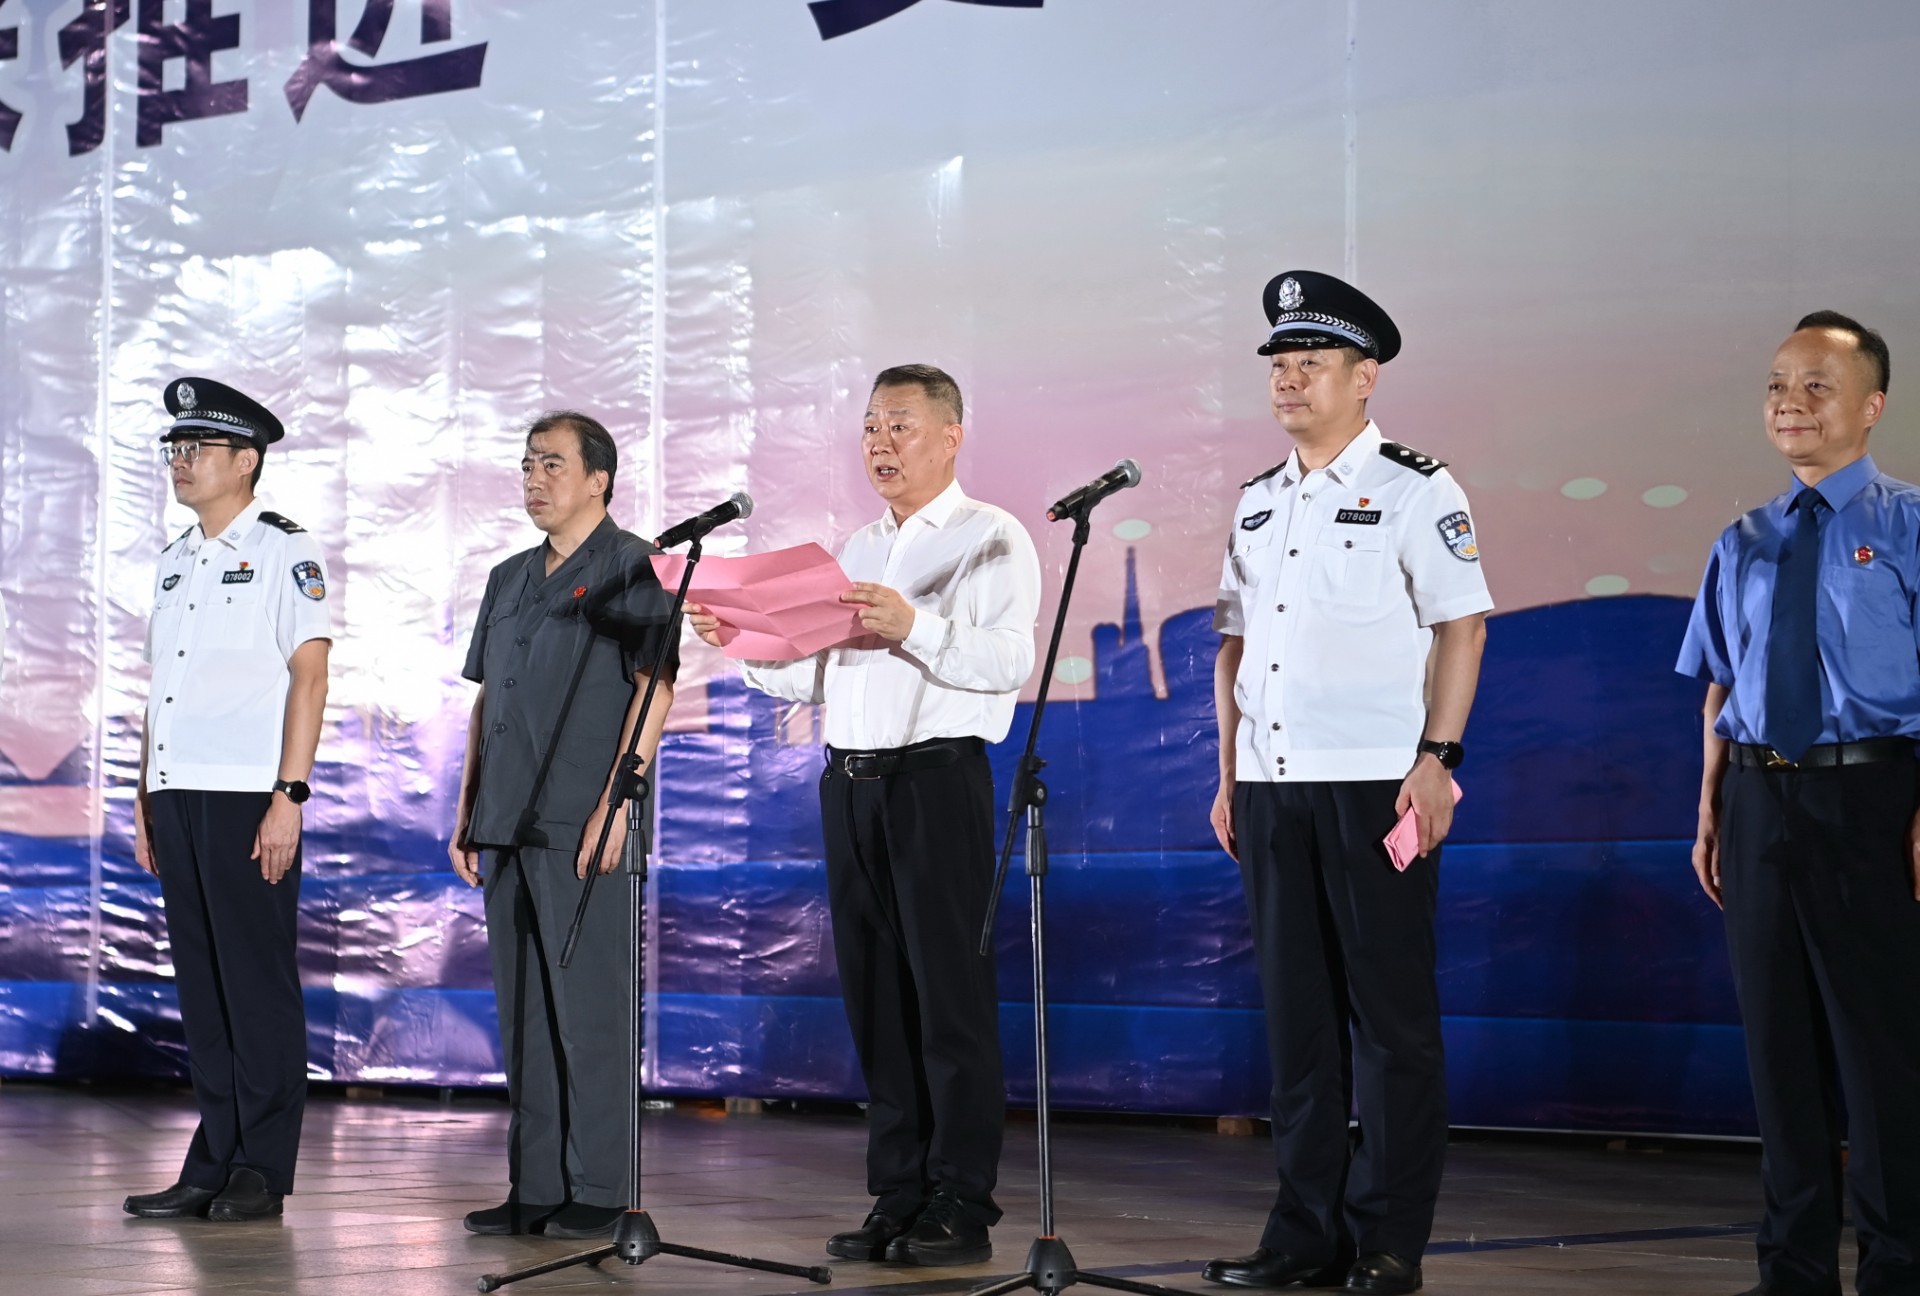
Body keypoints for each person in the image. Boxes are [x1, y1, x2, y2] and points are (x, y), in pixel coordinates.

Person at [687, 364, 1039, 1267]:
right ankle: (899, 1191)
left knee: (949, 1000)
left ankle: (961, 1200)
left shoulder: (991, 536)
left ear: (951, 436)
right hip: (850, 781)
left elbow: (1009, 662)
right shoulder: (858, 545)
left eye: (901, 425)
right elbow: (820, 673)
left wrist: (912, 625)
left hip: (936, 782)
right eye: (872, 426)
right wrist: (743, 644)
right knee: (878, 998)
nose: (881, 442)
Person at [1204, 273, 1492, 1295]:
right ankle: (1304, 1231)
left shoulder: (1417, 488)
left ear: (1365, 378)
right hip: (1271, 789)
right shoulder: (1258, 500)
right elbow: (1234, 648)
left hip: (1376, 788)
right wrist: (1230, 774)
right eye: (1280, 366)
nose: (1290, 381)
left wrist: (1439, 758)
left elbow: (1462, 626)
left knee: (1391, 1026)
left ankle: (1388, 1239)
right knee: (1299, 1026)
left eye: (1312, 364)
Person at [1678, 312, 1920, 1296]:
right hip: (1757, 803)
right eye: (1779, 384)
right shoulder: (1743, 539)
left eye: (1818, 385)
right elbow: (1721, 686)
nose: (1791, 402)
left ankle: (1900, 1270)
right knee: (1780, 1053)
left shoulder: (1908, 526)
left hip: (1873, 800)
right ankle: (1793, 1271)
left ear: (1873, 405)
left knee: (1883, 1052)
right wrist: (1711, 809)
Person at [450, 411, 679, 1240]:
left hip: (584, 824)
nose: (534, 479)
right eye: (527, 465)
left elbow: (654, 688)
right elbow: (489, 698)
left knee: (589, 1012)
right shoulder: (509, 576)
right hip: (506, 820)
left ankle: (602, 1187)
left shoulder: (633, 566)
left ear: (598, 480)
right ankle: (538, 1184)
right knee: (525, 1017)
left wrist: (618, 806)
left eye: (552, 464)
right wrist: (468, 809)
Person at [124, 377, 332, 1222]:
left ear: (246, 461)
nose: (181, 462)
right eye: (175, 449)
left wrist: (290, 795)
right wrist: (145, 791)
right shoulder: (175, 558)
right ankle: (213, 1158)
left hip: (249, 793)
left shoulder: (284, 549)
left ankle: (261, 1166)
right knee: (203, 986)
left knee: (255, 982)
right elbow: (162, 688)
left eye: (198, 448)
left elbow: (309, 675)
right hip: (177, 791)